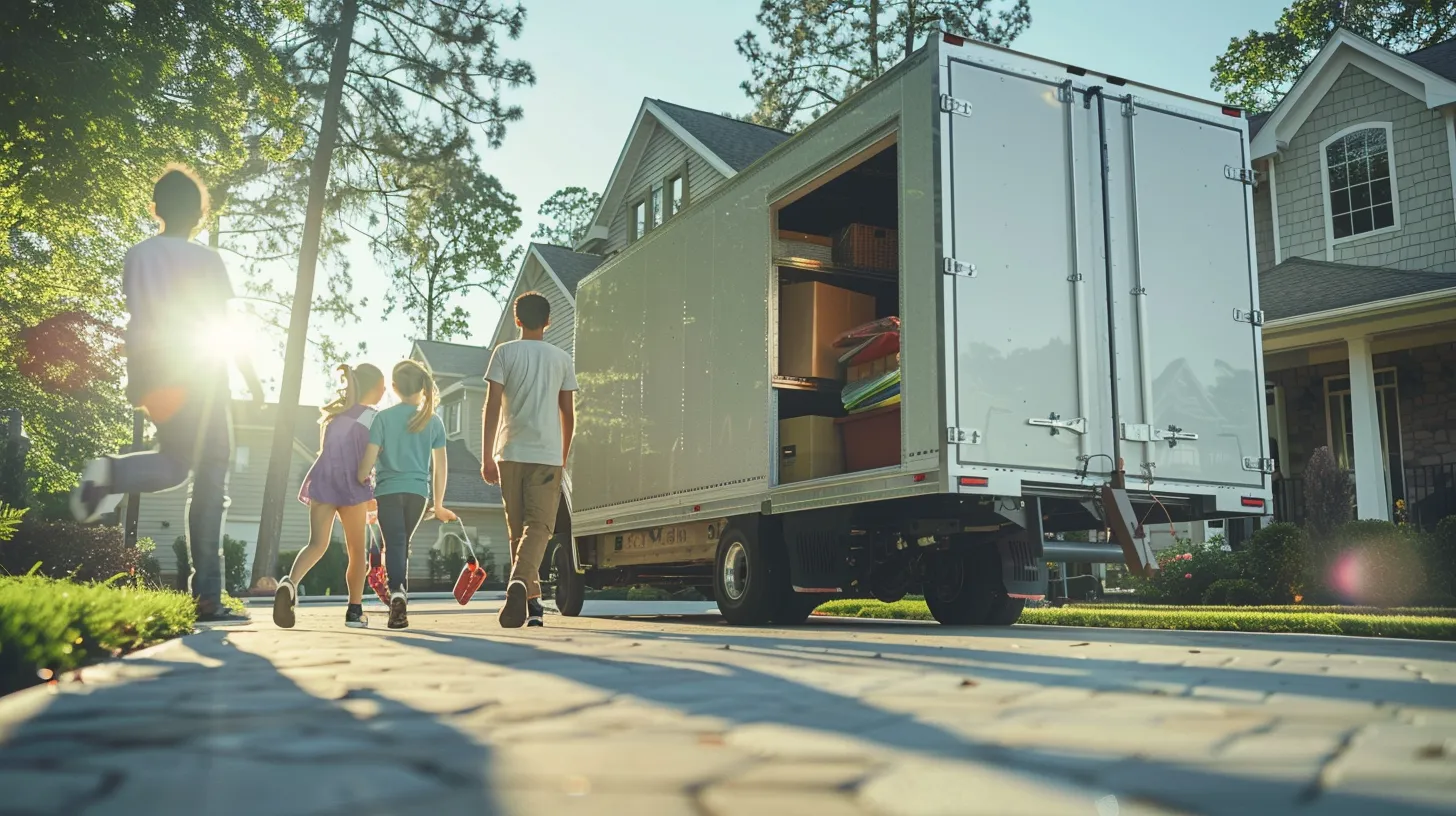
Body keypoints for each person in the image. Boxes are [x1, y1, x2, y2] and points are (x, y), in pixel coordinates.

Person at [71, 164, 263, 623]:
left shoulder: (137, 255)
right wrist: (250, 376)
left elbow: (139, 313)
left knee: (177, 463)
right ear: (200, 214)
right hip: (199, 374)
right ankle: (208, 595)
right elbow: (220, 325)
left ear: (154, 208)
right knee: (212, 473)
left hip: (153, 371)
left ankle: (110, 475)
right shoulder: (206, 259)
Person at [481, 292, 577, 629]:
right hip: (546, 455)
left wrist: (487, 455)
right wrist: (561, 456)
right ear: (548, 322)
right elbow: (568, 413)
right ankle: (521, 586)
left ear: (517, 320)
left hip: (510, 453)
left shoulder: (504, 353)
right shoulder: (561, 358)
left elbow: (491, 406)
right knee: (540, 527)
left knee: (517, 531)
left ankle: (532, 605)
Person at [273, 364, 385, 630]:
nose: (383, 393)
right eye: (381, 388)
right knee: (357, 552)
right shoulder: (373, 418)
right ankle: (354, 611)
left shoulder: (333, 417)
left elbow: (327, 452)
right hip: (353, 487)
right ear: (373, 388)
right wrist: (371, 491)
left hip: (323, 482)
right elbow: (371, 457)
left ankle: (289, 583)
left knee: (316, 544)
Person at [357, 360, 456, 629]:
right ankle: (399, 595)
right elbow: (440, 467)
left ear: (394, 387)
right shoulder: (433, 421)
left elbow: (365, 466)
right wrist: (438, 504)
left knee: (396, 545)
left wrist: (357, 480)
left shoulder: (383, 418)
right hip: (417, 494)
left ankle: (397, 593)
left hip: (388, 492)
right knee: (400, 545)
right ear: (422, 387)